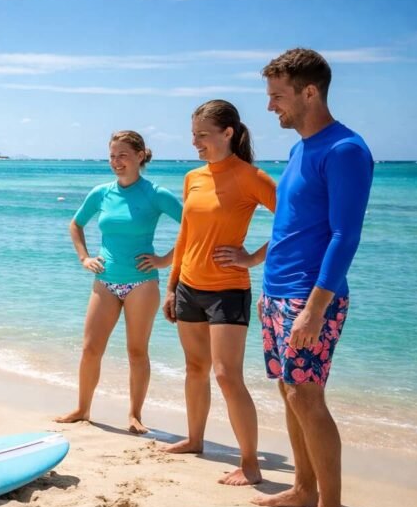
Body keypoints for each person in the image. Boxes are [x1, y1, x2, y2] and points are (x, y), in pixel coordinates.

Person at [251, 49, 373, 507]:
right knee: (288, 389)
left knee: (307, 394)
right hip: (277, 291)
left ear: (309, 92)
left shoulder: (344, 150)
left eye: (277, 96)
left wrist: (315, 309)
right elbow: (295, 221)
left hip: (309, 299)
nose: (270, 107)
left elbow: (345, 235)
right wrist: (257, 262)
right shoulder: (301, 147)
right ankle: (303, 488)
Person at [162, 100, 276, 486]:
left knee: (228, 375)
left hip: (228, 291)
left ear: (228, 133)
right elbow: (185, 234)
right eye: (193, 135)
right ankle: (195, 439)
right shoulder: (194, 177)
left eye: (203, 135)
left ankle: (250, 462)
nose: (196, 142)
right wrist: (172, 284)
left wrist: (253, 258)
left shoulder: (251, 177)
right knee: (196, 369)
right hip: (189, 287)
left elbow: (295, 223)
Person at [56, 131, 181, 434]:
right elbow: (75, 224)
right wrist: (85, 258)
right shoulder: (102, 192)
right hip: (105, 281)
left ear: (140, 156)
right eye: (112, 155)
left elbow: (194, 227)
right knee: (90, 348)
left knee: (137, 351)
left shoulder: (156, 193)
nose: (116, 161)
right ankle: (83, 409)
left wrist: (165, 260)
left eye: (123, 155)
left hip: (142, 283)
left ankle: (135, 415)